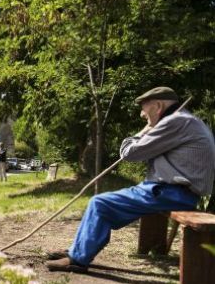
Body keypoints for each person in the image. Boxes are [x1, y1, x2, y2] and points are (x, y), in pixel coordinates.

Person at [46, 86, 215, 272]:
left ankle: (77, 259)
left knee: (100, 204)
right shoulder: (186, 121)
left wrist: (144, 131)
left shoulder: (175, 122)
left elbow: (130, 153)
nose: (142, 114)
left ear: (158, 105)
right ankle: (76, 251)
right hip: (178, 192)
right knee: (101, 203)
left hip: (171, 193)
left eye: (144, 108)